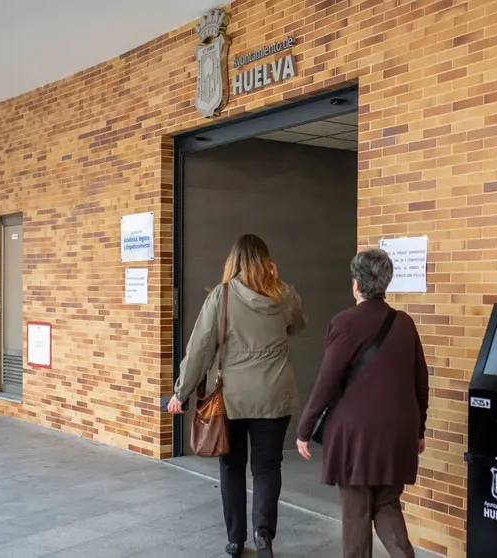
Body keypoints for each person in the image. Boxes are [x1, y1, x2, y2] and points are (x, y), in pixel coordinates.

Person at [167, 234, 307, 558]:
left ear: (234, 262)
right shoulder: (285, 294)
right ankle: (263, 533)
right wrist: (277, 279)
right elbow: (298, 324)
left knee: (232, 466)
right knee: (267, 467)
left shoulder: (222, 295)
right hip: (274, 396)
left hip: (232, 398)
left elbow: (200, 348)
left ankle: (235, 539)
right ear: (265, 261)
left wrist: (181, 392)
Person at [296, 248, 430, 558]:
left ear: (356, 284)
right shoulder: (405, 323)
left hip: (357, 434)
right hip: (399, 431)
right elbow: (421, 382)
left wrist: (304, 429)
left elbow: (327, 381)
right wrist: (419, 429)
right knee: (386, 502)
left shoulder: (345, 322)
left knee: (356, 513)